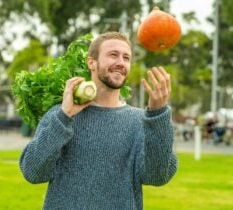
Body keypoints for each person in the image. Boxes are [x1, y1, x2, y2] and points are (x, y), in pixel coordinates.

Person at [19, 31, 178, 210]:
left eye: (126, 58)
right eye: (113, 55)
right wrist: (64, 117)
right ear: (91, 62)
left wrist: (158, 114)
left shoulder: (140, 121)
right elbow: (33, 172)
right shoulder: (61, 114)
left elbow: (156, 177)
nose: (121, 63)